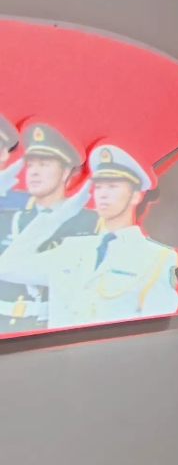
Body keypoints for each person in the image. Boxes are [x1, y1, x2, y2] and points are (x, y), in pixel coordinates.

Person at [0, 144, 178, 329]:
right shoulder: (71, 248)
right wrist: (57, 217)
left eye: (112, 186)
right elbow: (6, 267)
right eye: (99, 187)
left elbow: (159, 329)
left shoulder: (157, 258)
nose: (103, 195)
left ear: (135, 196)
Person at [0, 122, 97, 331]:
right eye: (31, 165)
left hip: (65, 328)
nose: (34, 172)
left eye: (44, 164)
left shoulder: (92, 222)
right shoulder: (10, 220)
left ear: (65, 172)